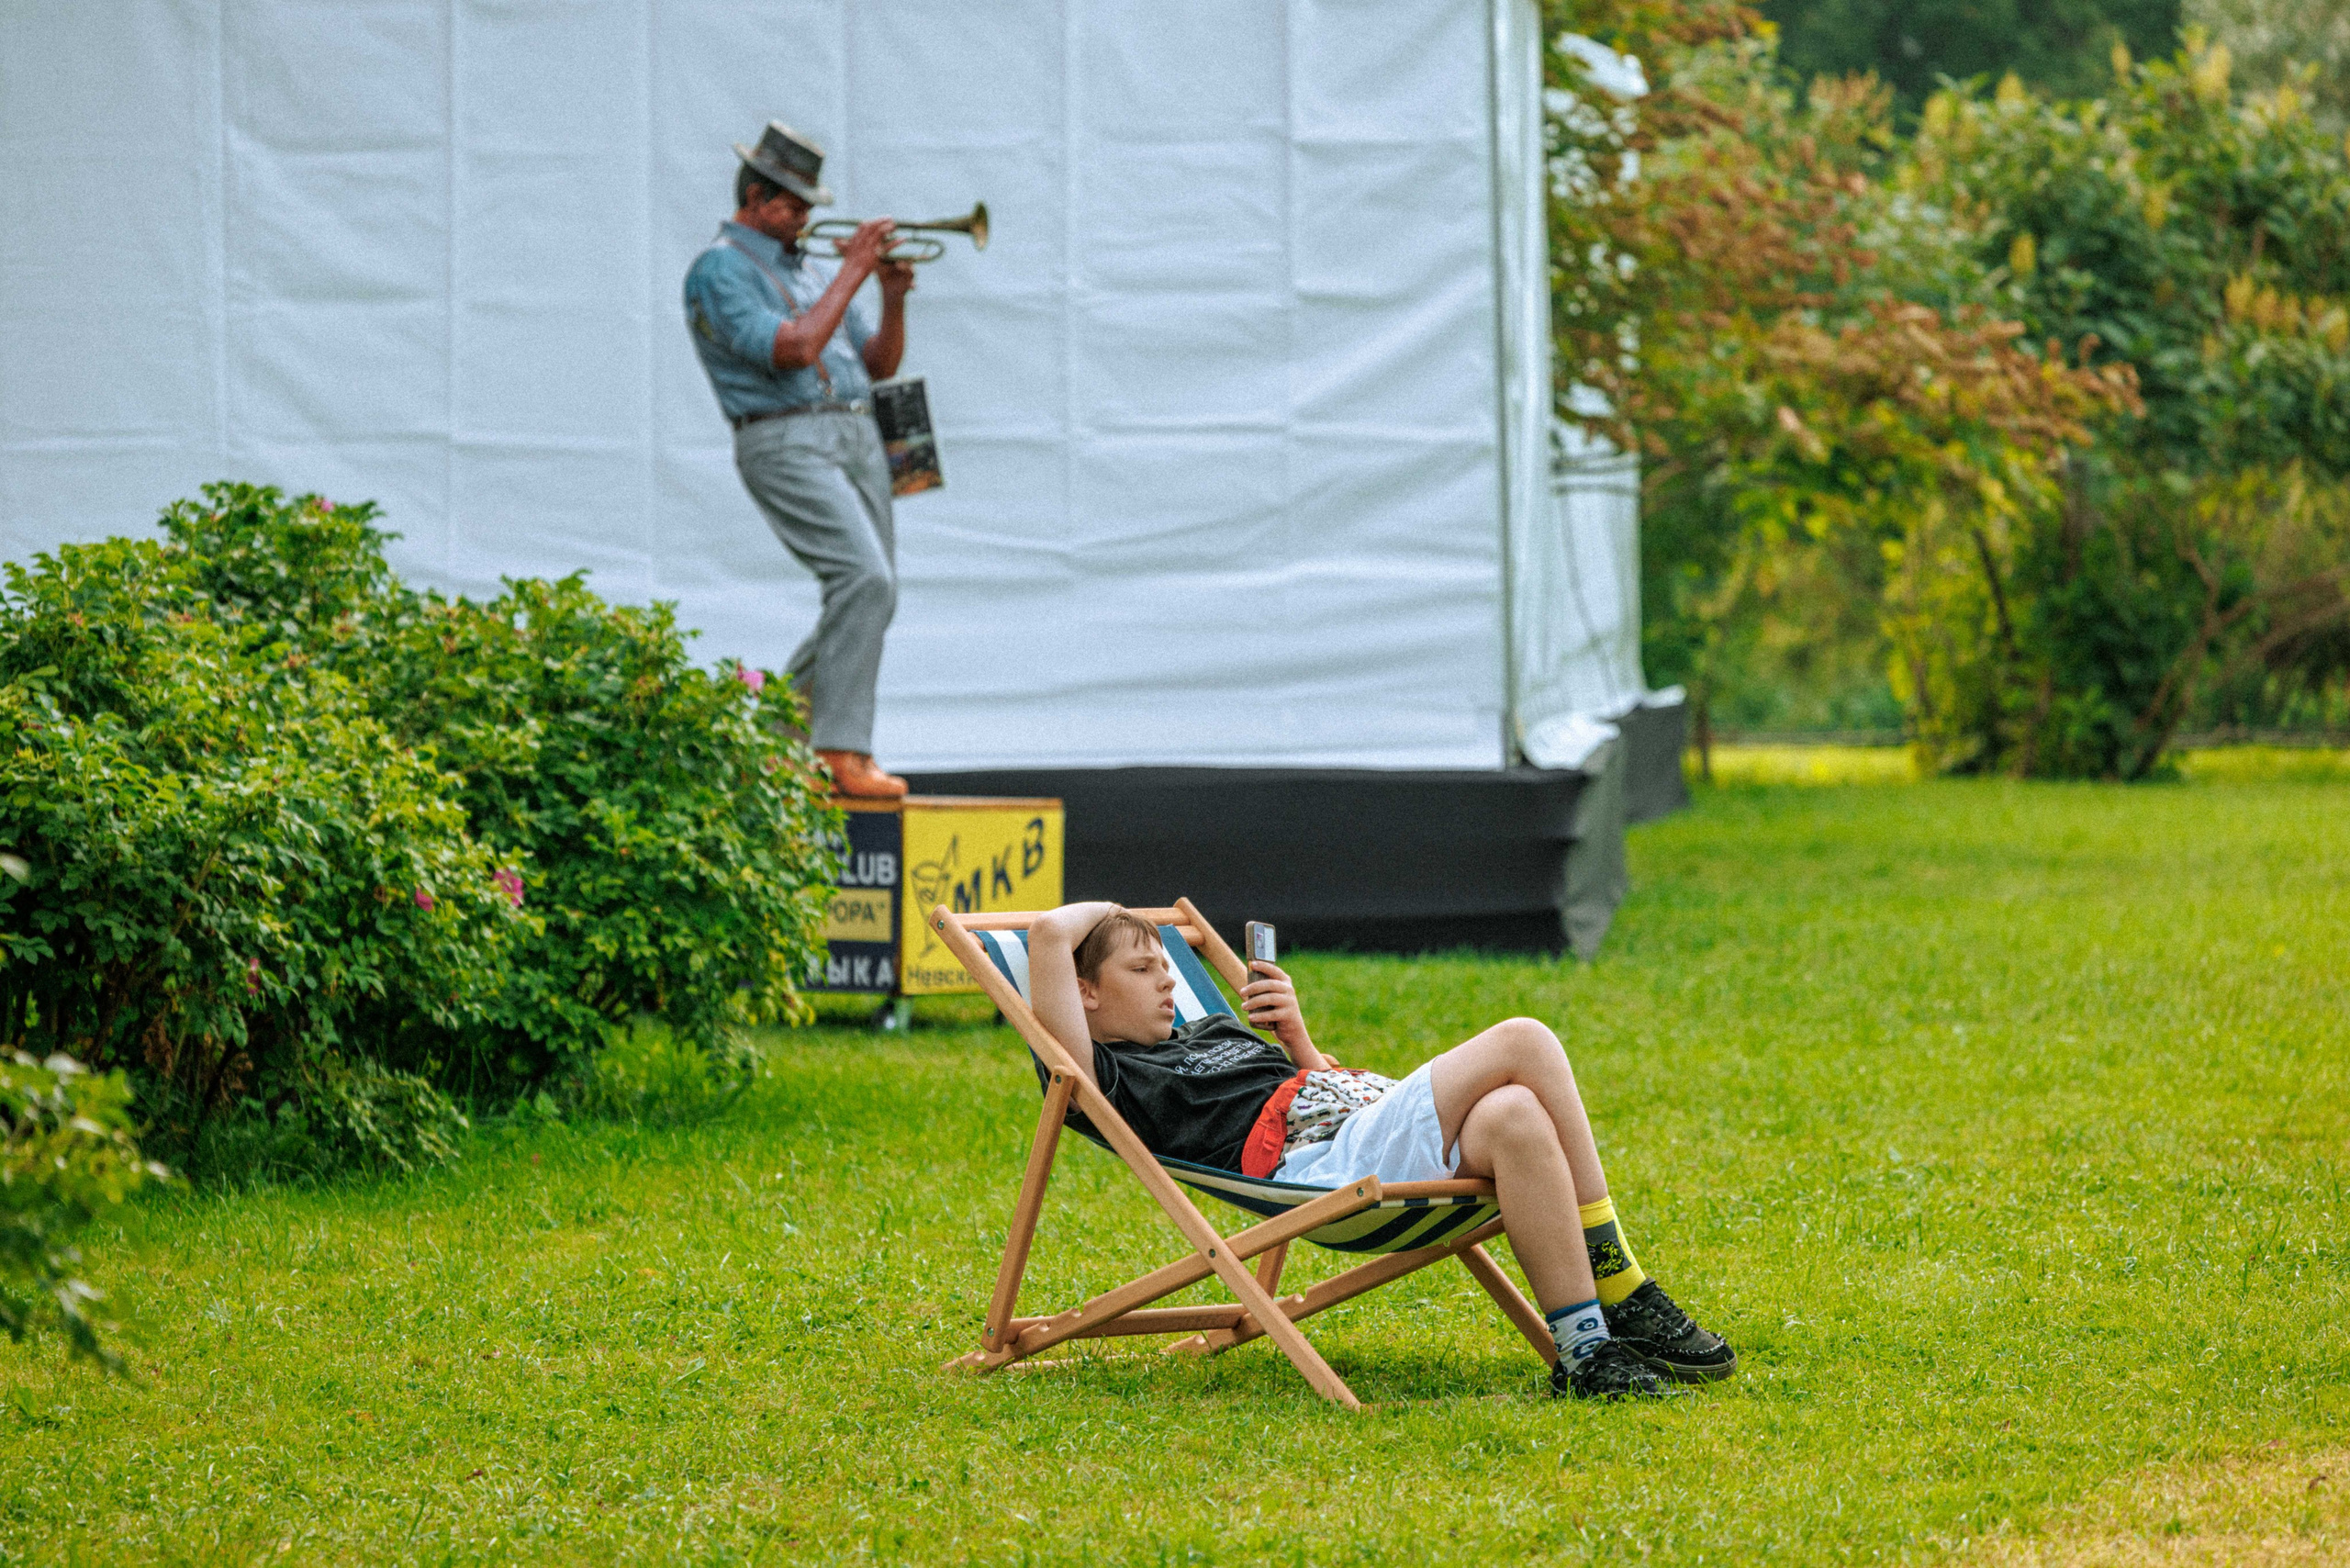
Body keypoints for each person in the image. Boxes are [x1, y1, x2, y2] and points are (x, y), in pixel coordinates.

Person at [1027, 902, 1737, 1400]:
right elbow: (1049, 934)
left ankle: (1585, 1352)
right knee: (1525, 1038)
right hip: (1322, 1165)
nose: (1168, 982)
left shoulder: (1210, 1030)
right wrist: (1119, 909)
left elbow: (1318, 1083)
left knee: (1516, 1115)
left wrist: (1298, 1042)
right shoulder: (1103, 1077)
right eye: (1144, 969)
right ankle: (1621, 1285)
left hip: (1359, 1117)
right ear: (1084, 993)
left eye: (1166, 966)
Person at [683, 122, 916, 799]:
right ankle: (840, 750)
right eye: (794, 205)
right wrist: (853, 269)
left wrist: (891, 294)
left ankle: (771, 745)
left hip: (855, 434)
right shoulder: (720, 267)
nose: (807, 219)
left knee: (872, 593)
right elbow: (791, 349)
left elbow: (876, 366)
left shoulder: (810, 268)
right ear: (756, 197)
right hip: (783, 436)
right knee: (863, 578)